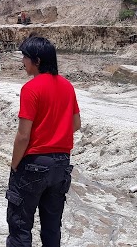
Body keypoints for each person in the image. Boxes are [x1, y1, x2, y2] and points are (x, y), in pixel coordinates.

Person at [6, 36, 81, 247]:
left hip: (34, 163)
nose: (23, 61)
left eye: (25, 57)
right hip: (61, 165)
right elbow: (76, 124)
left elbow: (23, 135)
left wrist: (14, 165)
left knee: (20, 225)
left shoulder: (30, 89)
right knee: (51, 227)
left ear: (36, 61)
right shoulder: (67, 86)